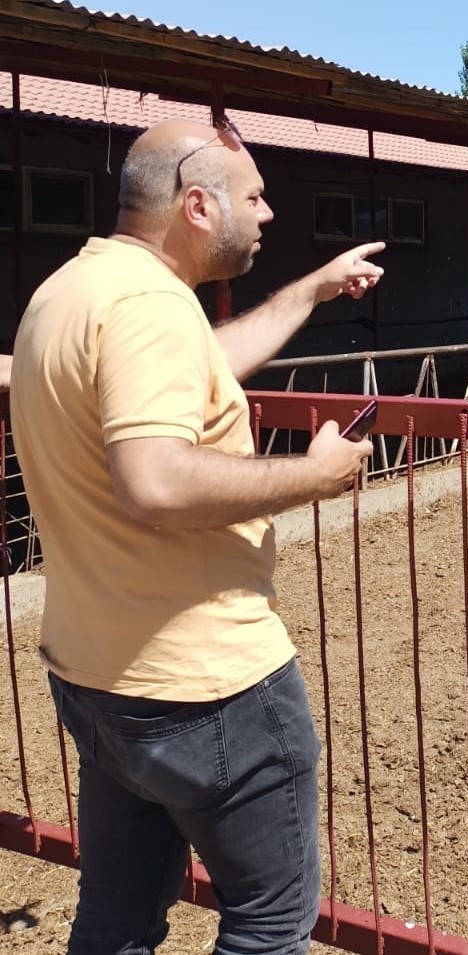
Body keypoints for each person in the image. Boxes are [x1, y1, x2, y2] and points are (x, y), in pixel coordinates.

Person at [10, 116, 384, 954]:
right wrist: (314, 475)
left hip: (101, 677)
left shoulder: (75, 291)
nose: (269, 213)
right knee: (269, 922)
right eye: (253, 196)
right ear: (198, 206)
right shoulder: (148, 307)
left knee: (115, 917)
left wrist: (308, 291)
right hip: (209, 686)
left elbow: (189, 367)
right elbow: (155, 478)